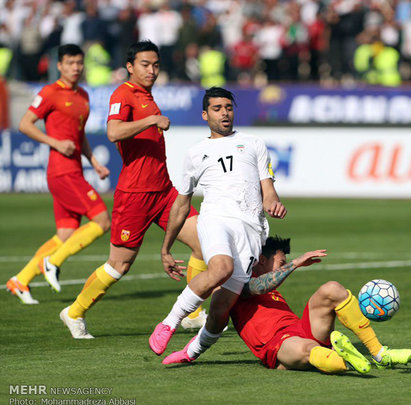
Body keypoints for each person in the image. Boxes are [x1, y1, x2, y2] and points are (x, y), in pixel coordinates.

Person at [59, 41, 206, 339]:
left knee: (205, 241)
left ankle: (192, 313)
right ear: (130, 66)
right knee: (120, 265)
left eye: (155, 65)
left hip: (163, 190)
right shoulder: (122, 93)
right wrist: (151, 119)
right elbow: (113, 131)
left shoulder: (147, 95)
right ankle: (74, 312)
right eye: (144, 65)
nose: (151, 70)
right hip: (135, 195)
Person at [149, 87, 287, 356]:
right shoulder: (196, 153)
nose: (224, 112)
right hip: (215, 219)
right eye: (217, 108)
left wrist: (273, 203)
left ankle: (190, 353)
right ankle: (168, 323)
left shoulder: (254, 144)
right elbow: (181, 203)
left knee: (221, 308)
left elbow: (268, 190)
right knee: (221, 268)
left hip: (251, 229)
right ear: (205, 114)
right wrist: (166, 248)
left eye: (228, 107)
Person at [163, 236, 411, 373]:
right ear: (261, 260)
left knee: (332, 288)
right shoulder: (233, 284)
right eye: (280, 260)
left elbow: (267, 284)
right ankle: (344, 359)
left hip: (300, 329)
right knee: (307, 349)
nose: (283, 265)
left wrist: (289, 265)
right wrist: (190, 353)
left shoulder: (267, 282)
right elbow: (255, 289)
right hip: (277, 344)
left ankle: (379, 353)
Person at [6, 44, 111, 305]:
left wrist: (94, 161)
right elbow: (24, 124)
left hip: (74, 168)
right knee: (102, 221)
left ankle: (20, 279)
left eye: (79, 62)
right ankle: (52, 262)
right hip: (61, 171)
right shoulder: (50, 92)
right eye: (70, 63)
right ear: (60, 65)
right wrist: (55, 142)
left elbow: (79, 135)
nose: (75, 67)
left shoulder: (83, 96)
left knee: (66, 233)